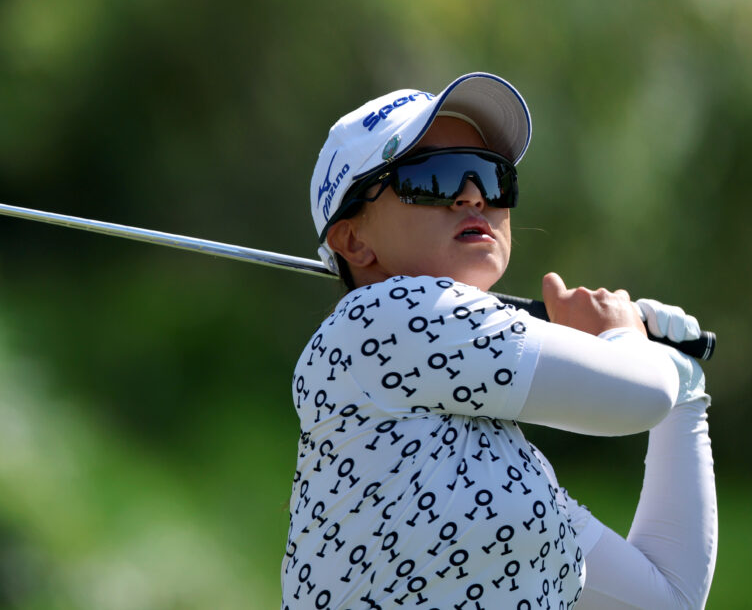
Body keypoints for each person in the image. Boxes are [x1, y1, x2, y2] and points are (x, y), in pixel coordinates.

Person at [281, 73, 717, 609]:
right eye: (433, 178)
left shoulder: (507, 480)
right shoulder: (380, 315)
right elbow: (637, 398)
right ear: (353, 239)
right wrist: (624, 337)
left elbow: (668, 600)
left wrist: (684, 387)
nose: (472, 195)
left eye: (491, 177)